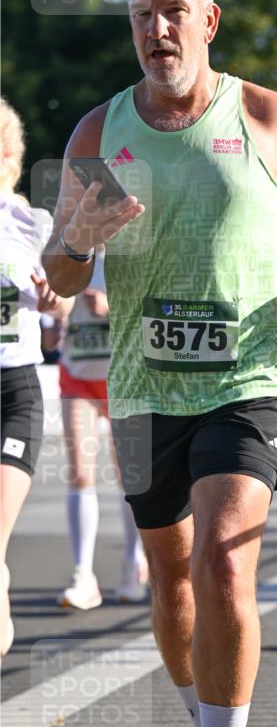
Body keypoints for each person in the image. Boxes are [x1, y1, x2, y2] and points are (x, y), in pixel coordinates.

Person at [42, 0, 277, 727]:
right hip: (142, 386)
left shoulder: (263, 115)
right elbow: (62, 275)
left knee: (221, 563)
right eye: (141, 16)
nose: (157, 30)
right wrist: (78, 242)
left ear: (207, 20)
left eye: (173, 12)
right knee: (171, 583)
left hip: (247, 376)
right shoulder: (99, 132)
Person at [0, 97, 74, 658]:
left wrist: (55, 301)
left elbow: (64, 304)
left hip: (14, 393)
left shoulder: (31, 223)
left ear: (7, 155)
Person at [55, 251, 149, 610]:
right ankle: (83, 575)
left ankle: (133, 563)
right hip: (78, 375)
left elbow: (155, 310)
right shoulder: (68, 249)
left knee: (129, 477)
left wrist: (111, 308)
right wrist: (53, 322)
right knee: (80, 473)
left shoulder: (133, 252)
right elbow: (51, 312)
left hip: (125, 378)